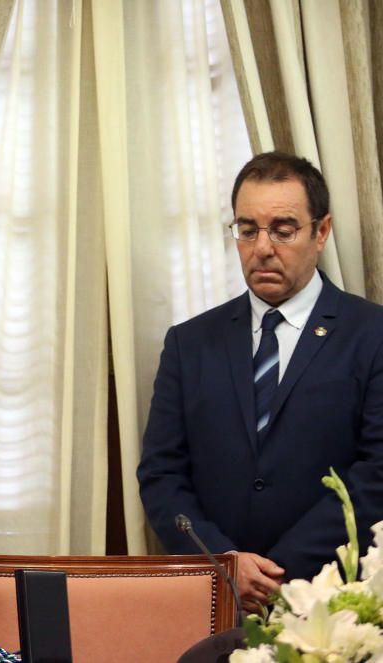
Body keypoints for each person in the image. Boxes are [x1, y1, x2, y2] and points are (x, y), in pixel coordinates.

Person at [137, 152, 383, 614]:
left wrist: (276, 571)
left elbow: (377, 474)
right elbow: (162, 474)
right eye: (247, 229)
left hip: (336, 600)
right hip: (213, 595)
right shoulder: (190, 344)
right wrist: (224, 559)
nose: (262, 247)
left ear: (321, 232)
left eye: (283, 229)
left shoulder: (371, 335)